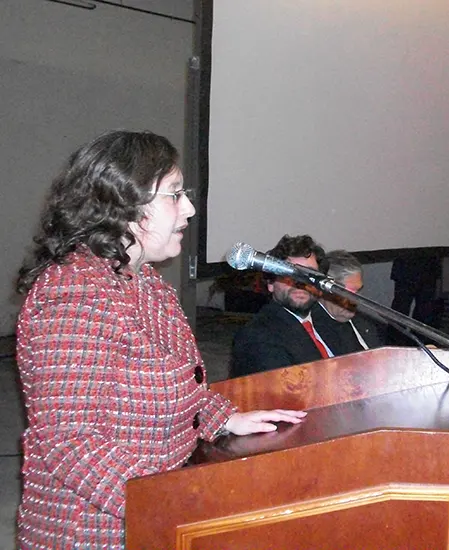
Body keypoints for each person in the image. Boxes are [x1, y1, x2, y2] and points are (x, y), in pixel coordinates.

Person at [14, 131, 306, 549]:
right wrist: (175, 502)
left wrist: (223, 418)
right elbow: (70, 444)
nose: (188, 208)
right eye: (174, 194)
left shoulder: (143, 282)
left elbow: (173, 378)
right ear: (122, 206)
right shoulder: (73, 296)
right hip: (97, 531)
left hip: (156, 516)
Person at [231, 235, 333, 377]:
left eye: (309, 274)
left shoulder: (331, 321)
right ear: (271, 284)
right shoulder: (257, 336)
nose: (300, 282)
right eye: (290, 273)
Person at [313, 249, 385, 354]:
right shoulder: (311, 329)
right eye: (348, 293)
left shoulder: (367, 324)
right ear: (325, 289)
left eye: (358, 291)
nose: (355, 300)